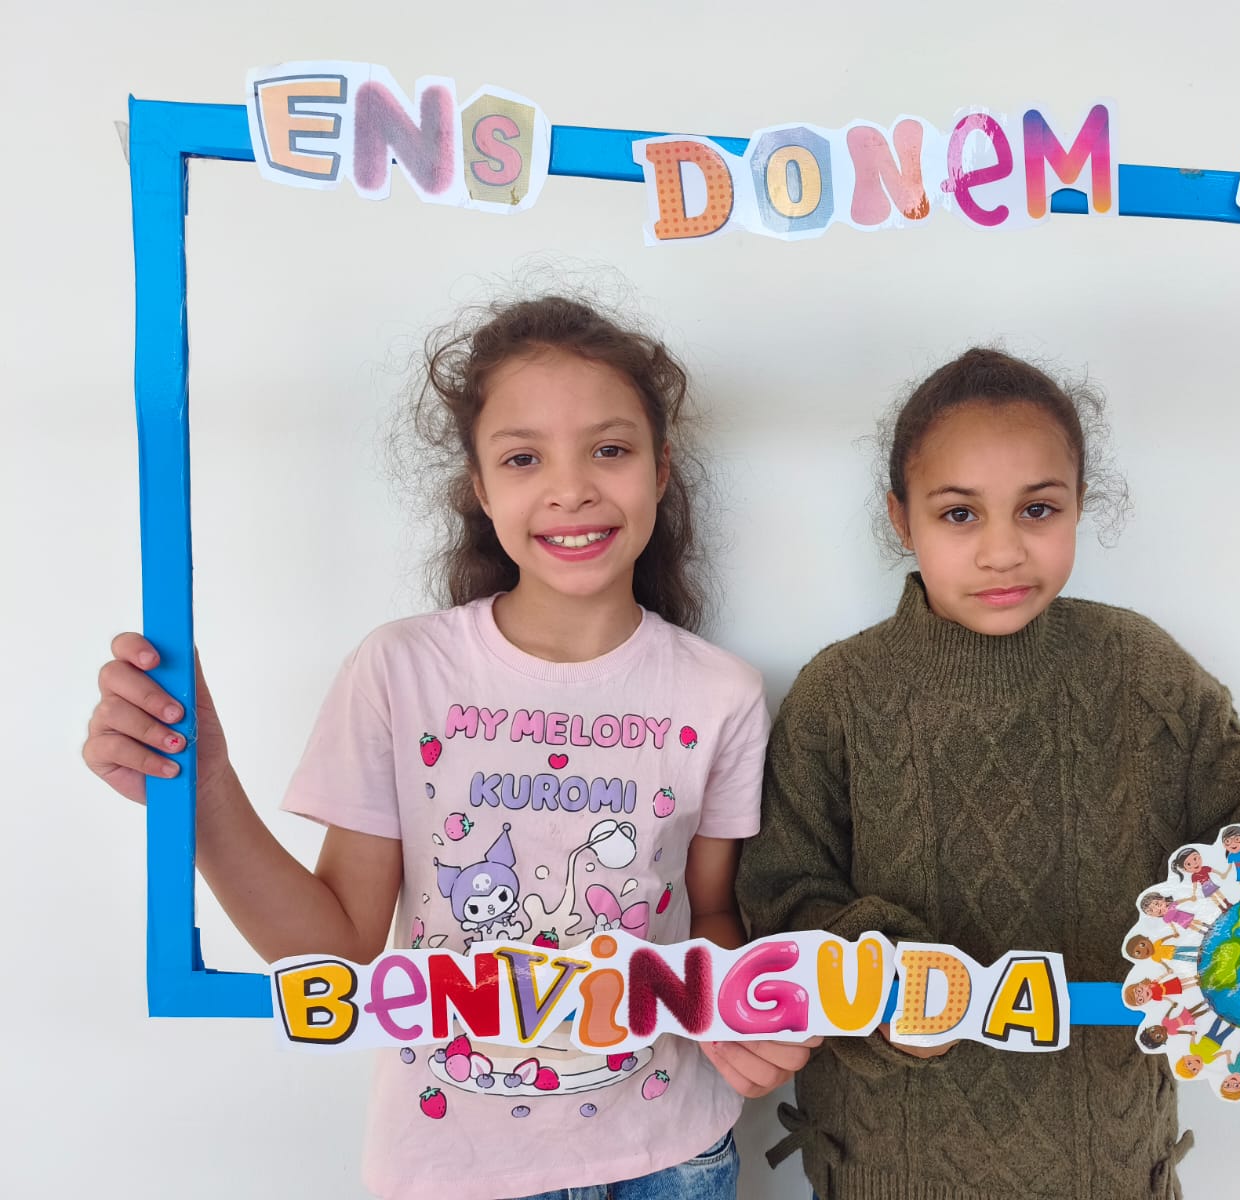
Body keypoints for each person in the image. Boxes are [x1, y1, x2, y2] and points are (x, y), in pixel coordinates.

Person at [83, 296, 814, 1200]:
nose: (571, 488)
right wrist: (203, 792)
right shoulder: (401, 671)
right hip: (456, 1168)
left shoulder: (721, 693)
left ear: (660, 471)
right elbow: (341, 955)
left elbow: (709, 916)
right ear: (480, 487)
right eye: (523, 457)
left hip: (673, 1157)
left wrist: (741, 1009)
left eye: (610, 450)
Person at [734, 347, 1240, 1199]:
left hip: (1111, 1169)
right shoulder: (842, 693)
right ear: (901, 519)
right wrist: (885, 978)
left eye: (1037, 509)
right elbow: (780, 899)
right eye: (959, 514)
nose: (1002, 550)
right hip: (886, 1172)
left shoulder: (1141, 671)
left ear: (1078, 503)